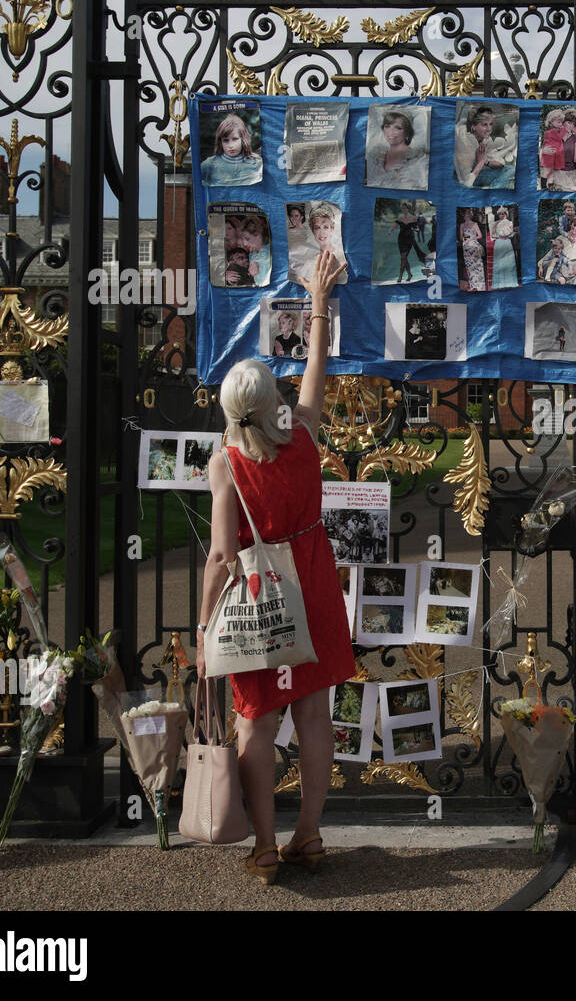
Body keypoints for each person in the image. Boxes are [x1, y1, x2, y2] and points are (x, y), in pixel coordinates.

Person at [197, 249, 352, 884]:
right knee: (315, 713)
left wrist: (206, 628)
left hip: (258, 596)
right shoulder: (305, 435)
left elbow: (219, 557)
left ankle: (263, 845)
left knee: (255, 719)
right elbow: (317, 366)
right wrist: (318, 301)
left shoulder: (227, 465)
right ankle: (309, 835)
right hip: (311, 581)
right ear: (273, 404)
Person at [455, 104, 515, 189]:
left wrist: (487, 162)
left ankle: (490, 191)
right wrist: (481, 163)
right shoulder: (464, 140)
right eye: (484, 124)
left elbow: (500, 163)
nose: (489, 128)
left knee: (510, 169)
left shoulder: (486, 139)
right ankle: (488, 194)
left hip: (477, 174)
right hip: (462, 179)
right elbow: (466, 182)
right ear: (474, 127)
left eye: (491, 124)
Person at [365, 109, 428, 189]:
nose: (391, 132)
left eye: (398, 128)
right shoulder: (375, 157)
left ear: (407, 132)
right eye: (387, 126)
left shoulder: (419, 160)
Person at [201, 112, 262, 185]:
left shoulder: (256, 162)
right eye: (226, 140)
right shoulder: (209, 164)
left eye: (235, 139)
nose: (231, 145)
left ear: (243, 139)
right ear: (220, 142)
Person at [296, 202, 346, 288]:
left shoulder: (341, 257)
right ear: (313, 231)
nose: (321, 232)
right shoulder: (308, 263)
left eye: (326, 227)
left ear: (332, 229)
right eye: (317, 228)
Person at [392, 200, 430, 281]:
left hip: (409, 239)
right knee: (403, 258)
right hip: (401, 239)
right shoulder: (400, 217)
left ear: (408, 209)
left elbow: (417, 229)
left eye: (405, 208)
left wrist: (414, 229)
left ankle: (400, 276)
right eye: (402, 208)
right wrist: (389, 231)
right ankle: (409, 274)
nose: (403, 210)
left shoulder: (413, 218)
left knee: (403, 257)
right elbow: (395, 225)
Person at [489, 207, 519, 289]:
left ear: (506, 214)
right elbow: (492, 234)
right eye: (500, 214)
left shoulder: (510, 223)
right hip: (499, 242)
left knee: (509, 262)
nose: (501, 215)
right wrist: (499, 236)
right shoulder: (495, 223)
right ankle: (499, 283)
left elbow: (512, 234)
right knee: (499, 263)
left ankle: (510, 282)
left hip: (507, 242)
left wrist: (508, 235)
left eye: (503, 214)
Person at [459, 213, 486, 291]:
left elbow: (480, 235)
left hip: (474, 245)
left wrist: (471, 239)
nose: (466, 217)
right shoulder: (462, 225)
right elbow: (461, 236)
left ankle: (480, 286)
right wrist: (463, 238)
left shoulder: (475, 224)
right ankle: (472, 285)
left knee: (477, 265)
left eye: (468, 215)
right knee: (469, 266)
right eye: (465, 215)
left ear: (470, 216)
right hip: (466, 246)